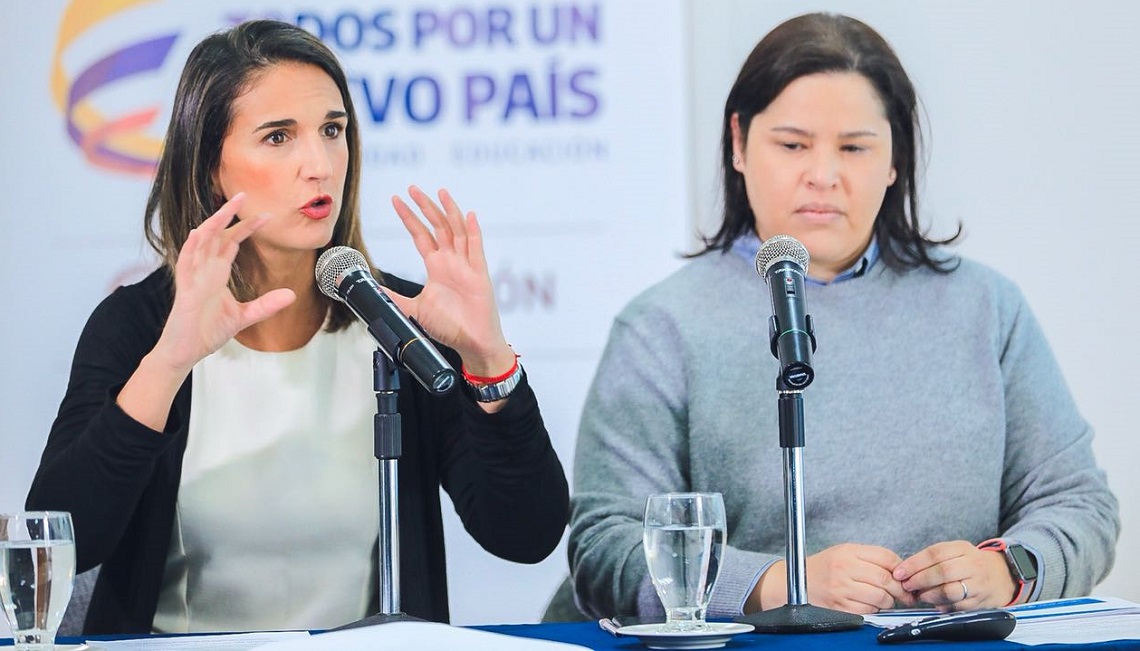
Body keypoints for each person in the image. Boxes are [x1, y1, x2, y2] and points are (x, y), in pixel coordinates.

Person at [567, 12, 1118, 620]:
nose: (823, 176)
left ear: (894, 158)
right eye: (792, 145)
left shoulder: (986, 307)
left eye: (854, 148)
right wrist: (778, 583)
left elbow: (1079, 505)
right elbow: (604, 550)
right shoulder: (663, 325)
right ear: (739, 143)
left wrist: (1007, 570)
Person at [25, 20, 568, 635]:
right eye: (278, 137)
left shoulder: (398, 319)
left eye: (332, 131)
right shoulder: (138, 325)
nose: (320, 165)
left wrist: (488, 359)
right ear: (209, 168)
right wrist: (168, 362)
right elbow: (58, 547)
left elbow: (527, 535)